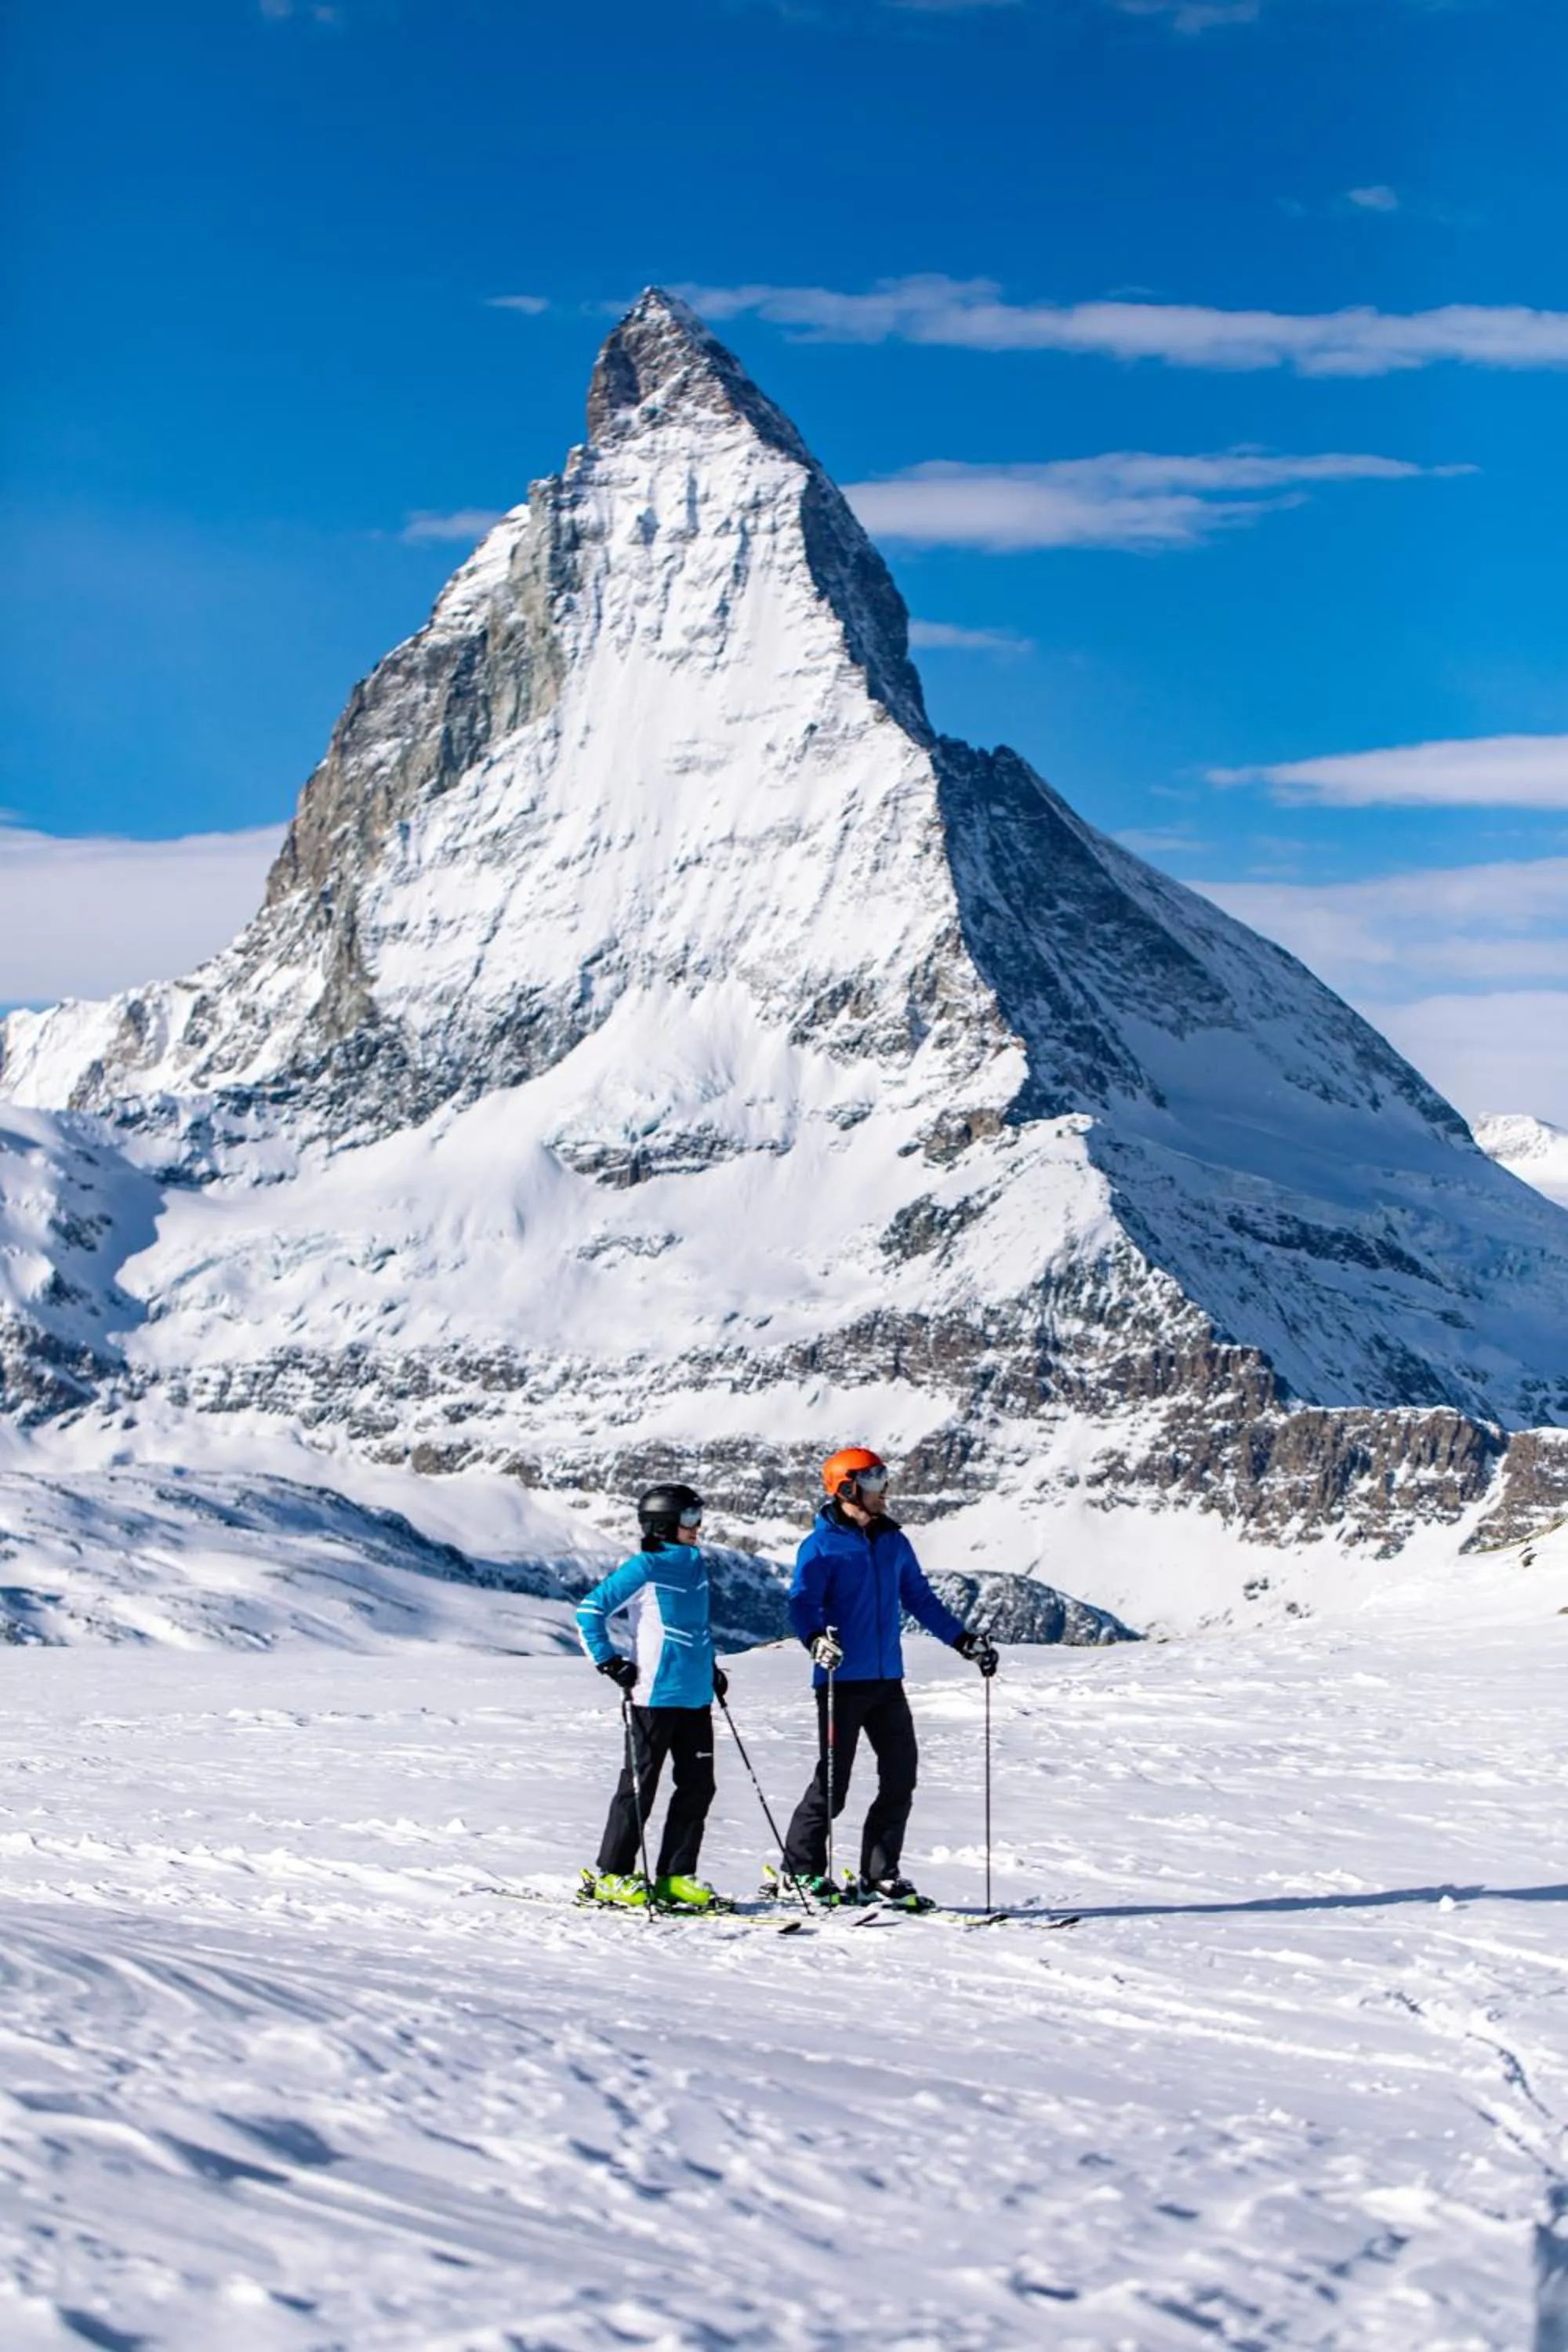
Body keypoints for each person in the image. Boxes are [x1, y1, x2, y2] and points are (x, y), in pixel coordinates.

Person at [779, 1446, 997, 1908]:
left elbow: (919, 1599)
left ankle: (878, 1876)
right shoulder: (820, 1545)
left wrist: (962, 1642)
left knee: (900, 1777)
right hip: (840, 1682)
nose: (885, 1490)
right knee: (833, 1784)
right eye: (875, 1482)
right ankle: (799, 1873)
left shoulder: (893, 1541)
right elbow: (802, 1603)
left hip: (886, 1681)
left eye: (884, 1480)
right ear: (846, 1487)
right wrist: (816, 1639)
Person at [575, 1481, 730, 1911]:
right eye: (688, 1519)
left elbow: (692, 1629)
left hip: (695, 1696)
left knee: (698, 1787)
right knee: (641, 1787)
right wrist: (609, 1662)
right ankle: (612, 1876)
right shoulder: (646, 1567)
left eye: (699, 1517)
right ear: (664, 1525)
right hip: (653, 1697)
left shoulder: (695, 1564)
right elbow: (588, 1611)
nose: (697, 1526)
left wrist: (709, 1669)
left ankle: (675, 1877)